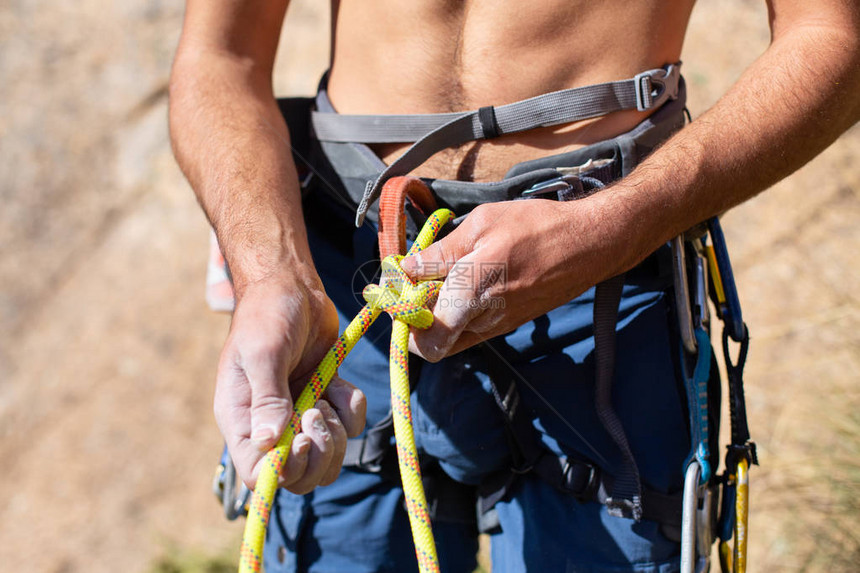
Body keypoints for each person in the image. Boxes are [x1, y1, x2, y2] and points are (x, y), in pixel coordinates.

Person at [169, 1, 860, 571]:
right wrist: (270, 271)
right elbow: (220, 55)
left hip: (597, 282)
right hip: (348, 277)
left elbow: (832, 36)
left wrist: (608, 228)